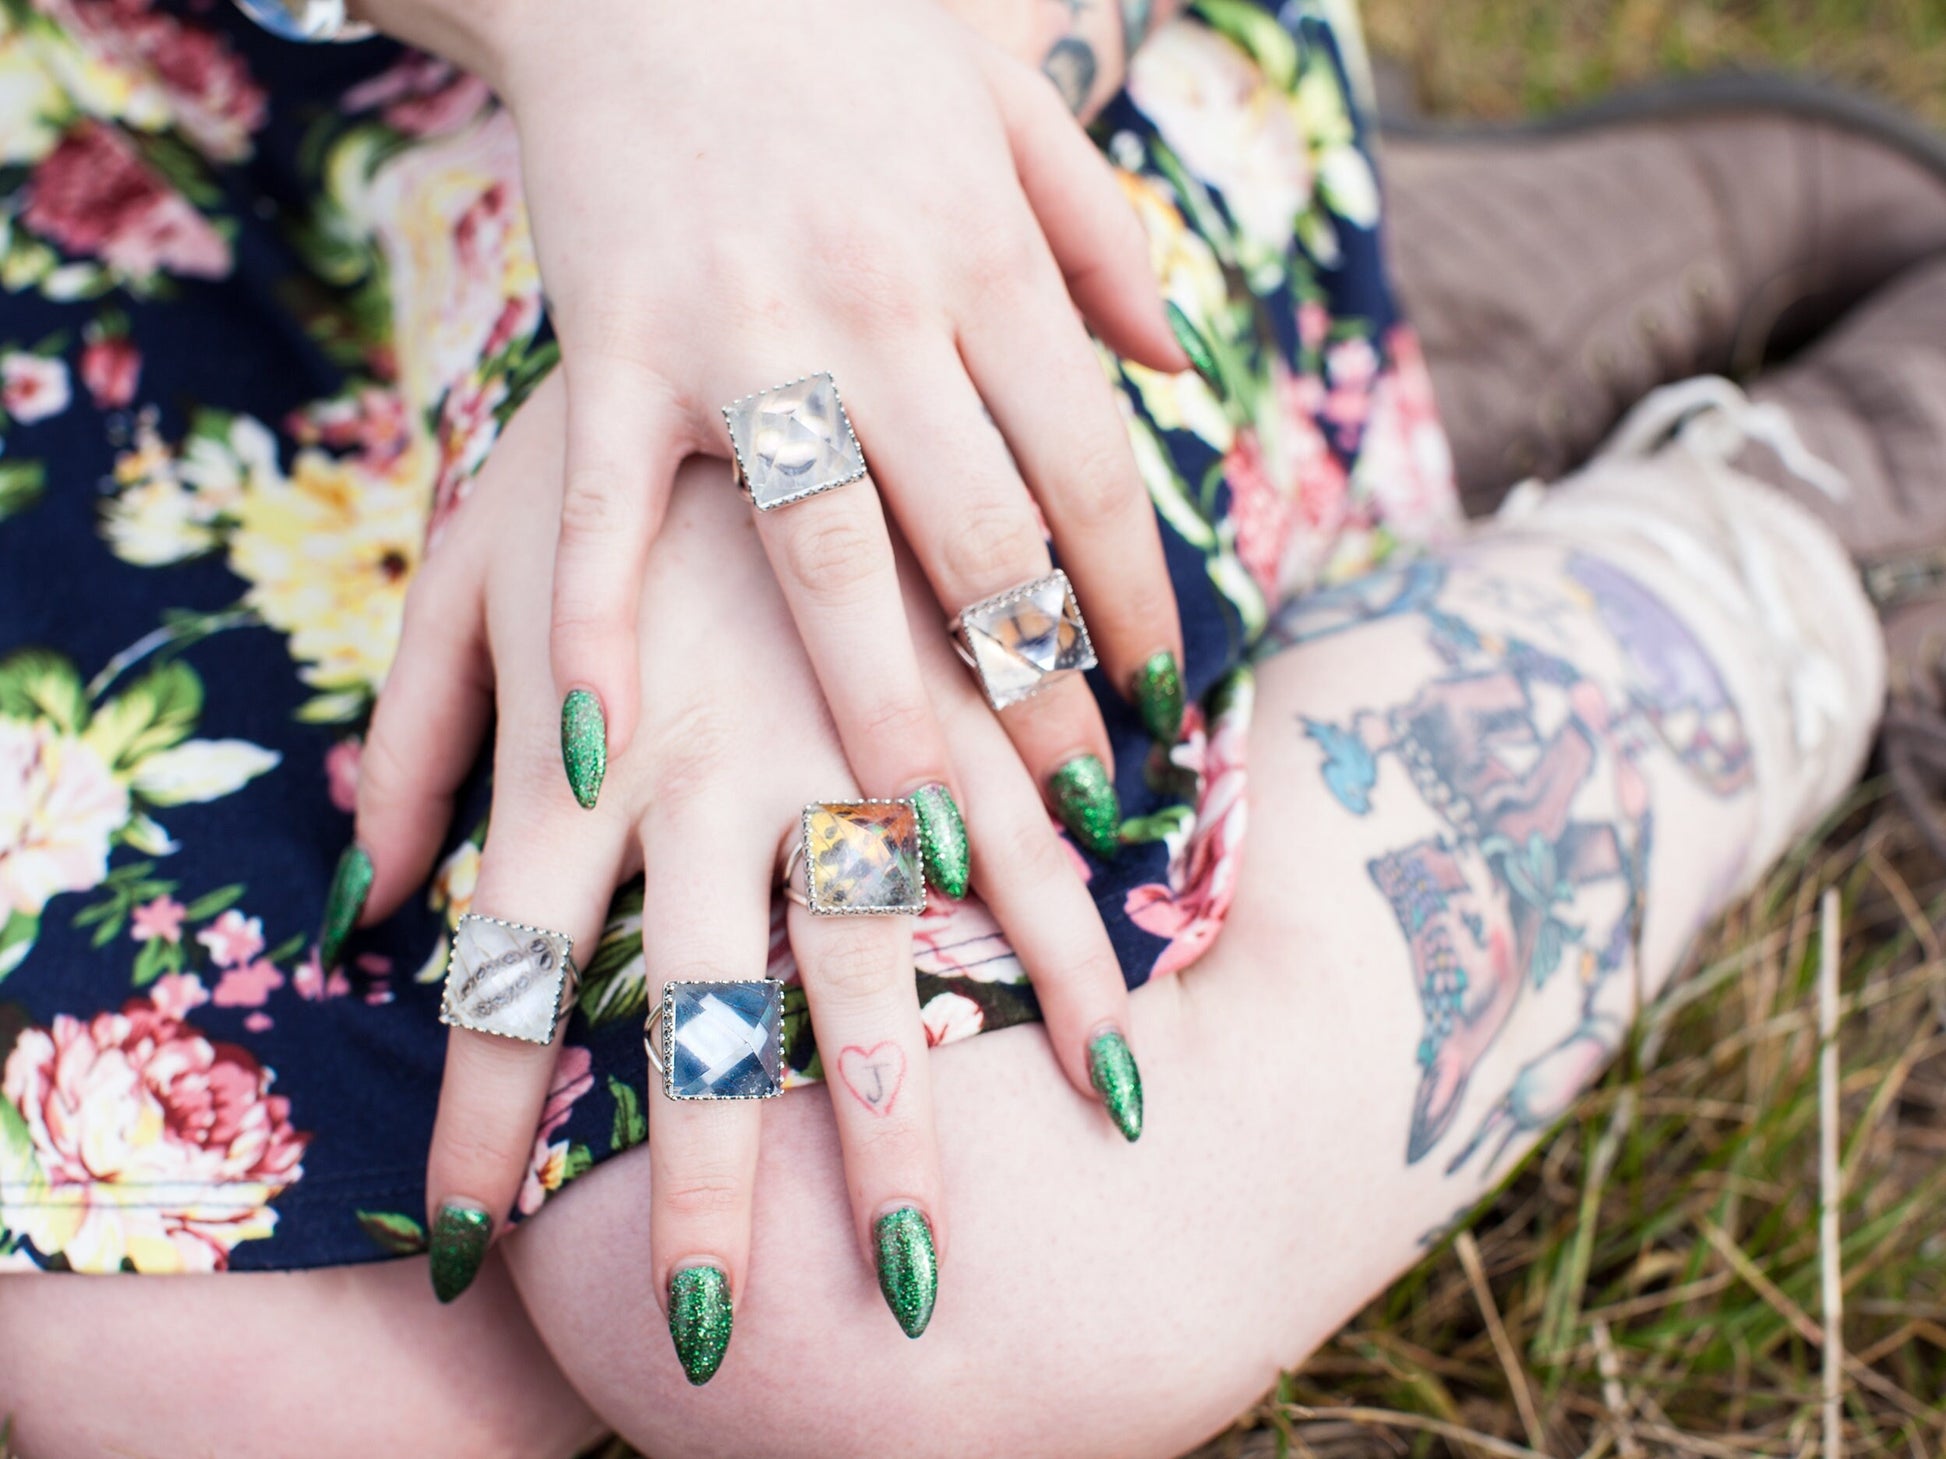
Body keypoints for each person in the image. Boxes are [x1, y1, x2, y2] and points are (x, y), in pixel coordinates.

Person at [0, 0, 1940, 1454]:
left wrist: (753, 398)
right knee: (228, 1374)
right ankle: (1382, 376)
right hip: (143, 121)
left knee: (890, 1277)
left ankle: (1777, 545)